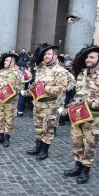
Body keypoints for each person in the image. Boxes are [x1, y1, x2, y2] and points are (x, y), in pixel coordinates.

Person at [63, 45, 99, 184]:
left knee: (89, 145)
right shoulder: (82, 73)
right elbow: (78, 94)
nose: (88, 59)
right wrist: (74, 103)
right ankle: (77, 166)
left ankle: (85, 170)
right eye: (87, 57)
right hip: (78, 115)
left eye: (92, 57)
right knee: (77, 142)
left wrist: (88, 102)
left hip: (94, 118)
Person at [26, 43, 67, 160]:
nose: (46, 56)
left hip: (51, 105)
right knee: (38, 127)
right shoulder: (41, 69)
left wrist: (45, 88)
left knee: (48, 129)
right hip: (38, 104)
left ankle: (44, 151)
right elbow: (38, 84)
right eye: (45, 54)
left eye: (49, 54)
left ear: (55, 56)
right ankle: (38, 147)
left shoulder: (60, 71)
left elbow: (61, 89)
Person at [0, 53, 24, 148]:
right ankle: (0, 136)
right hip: (0, 100)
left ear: (12, 62)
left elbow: (21, 86)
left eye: (7, 61)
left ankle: (7, 138)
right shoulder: (1, 71)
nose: (4, 62)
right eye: (4, 60)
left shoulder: (18, 73)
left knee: (9, 119)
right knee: (0, 118)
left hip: (11, 101)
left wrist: (12, 89)